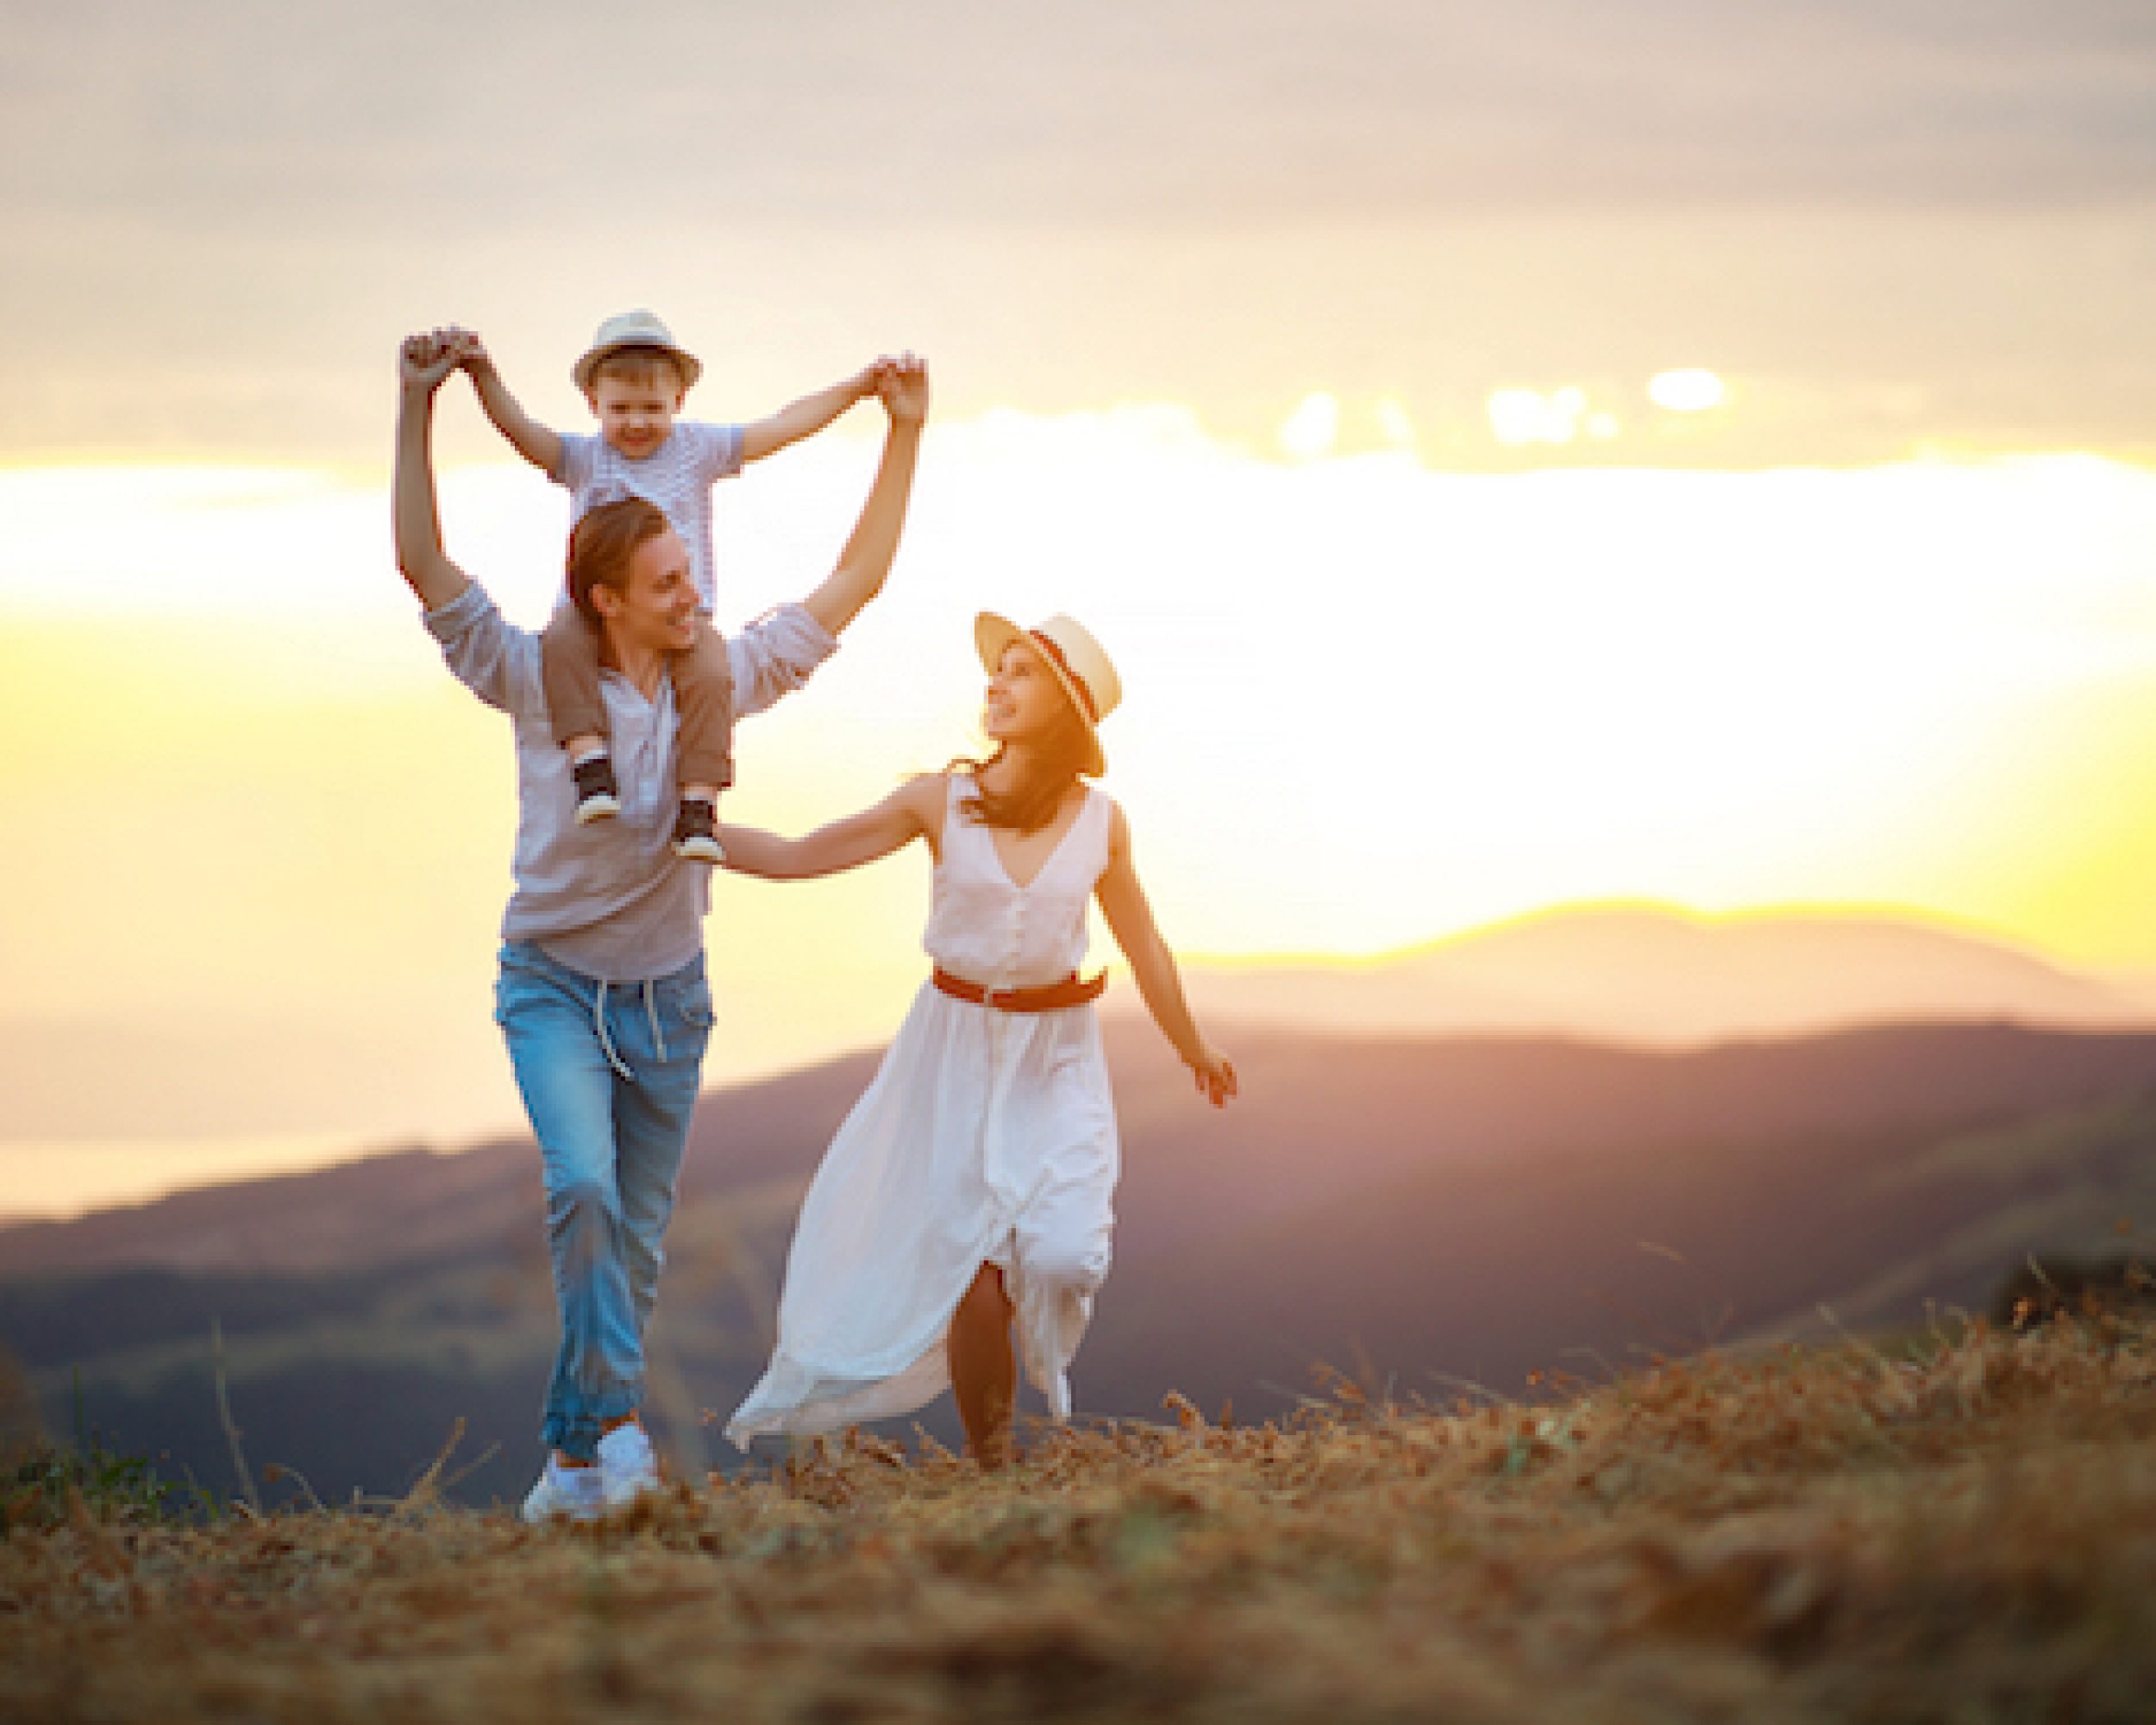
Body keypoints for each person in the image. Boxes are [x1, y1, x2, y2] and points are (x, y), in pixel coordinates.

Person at [391, 328, 929, 1521]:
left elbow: (858, 580)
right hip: (551, 987)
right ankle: (620, 1434)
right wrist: (419, 405)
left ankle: (573, 1458)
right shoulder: (534, 675)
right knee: (581, 1189)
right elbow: (423, 561)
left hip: (669, 1002)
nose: (699, 596)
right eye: (674, 584)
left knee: (631, 1243)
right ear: (609, 600)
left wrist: (904, 431)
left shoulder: (720, 675)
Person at [719, 612, 1238, 1466]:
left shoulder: (1102, 820)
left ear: (1066, 707)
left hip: (1055, 1058)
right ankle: (993, 1462)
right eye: (996, 670)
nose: (995, 684)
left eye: (1021, 672)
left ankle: (1020, 1404)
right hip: (951, 1052)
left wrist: (1191, 1045)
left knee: (1066, 1255)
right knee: (976, 1276)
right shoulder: (939, 799)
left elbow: (1144, 942)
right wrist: (685, 831)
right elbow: (797, 855)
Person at [453, 310, 893, 861]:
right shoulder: (585, 457)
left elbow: (782, 426)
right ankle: (590, 762)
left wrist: (857, 389)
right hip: (591, 608)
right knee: (561, 647)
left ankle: (698, 802)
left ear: (679, 401)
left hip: (686, 616)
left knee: (710, 678)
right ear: (592, 403)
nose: (636, 423)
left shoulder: (697, 450)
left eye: (652, 409)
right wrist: (481, 375)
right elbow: (521, 431)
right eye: (620, 410)